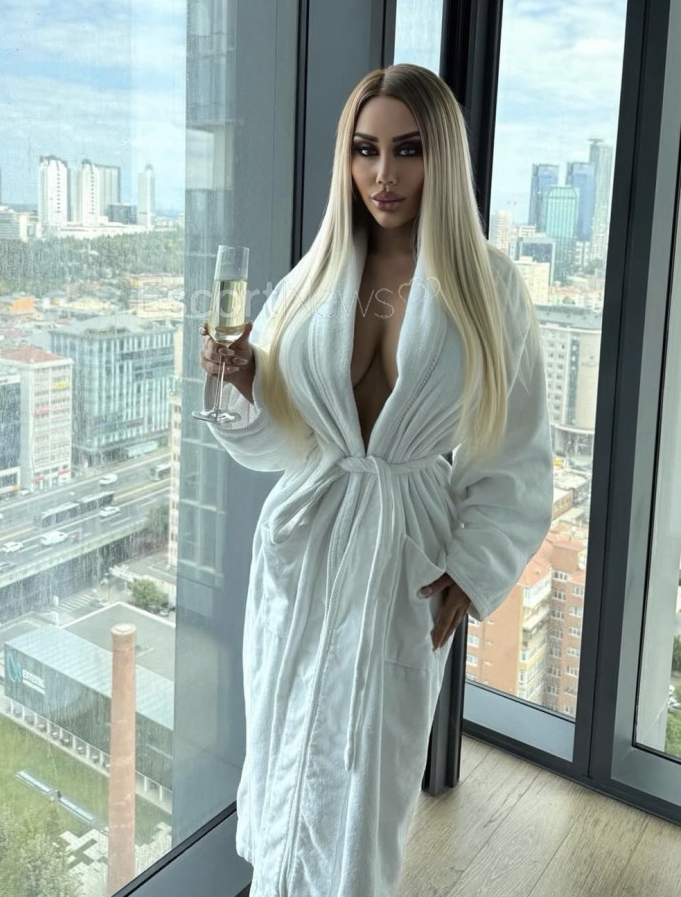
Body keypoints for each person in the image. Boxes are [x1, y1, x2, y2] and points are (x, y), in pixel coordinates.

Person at [199, 64, 554, 897]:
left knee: (368, 776)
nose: (383, 174)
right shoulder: (313, 277)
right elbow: (280, 440)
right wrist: (242, 381)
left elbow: (516, 447)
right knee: (286, 745)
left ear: (443, 158)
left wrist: (471, 569)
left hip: (404, 555)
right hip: (305, 541)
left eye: (407, 150)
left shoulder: (489, 286)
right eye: (364, 150)